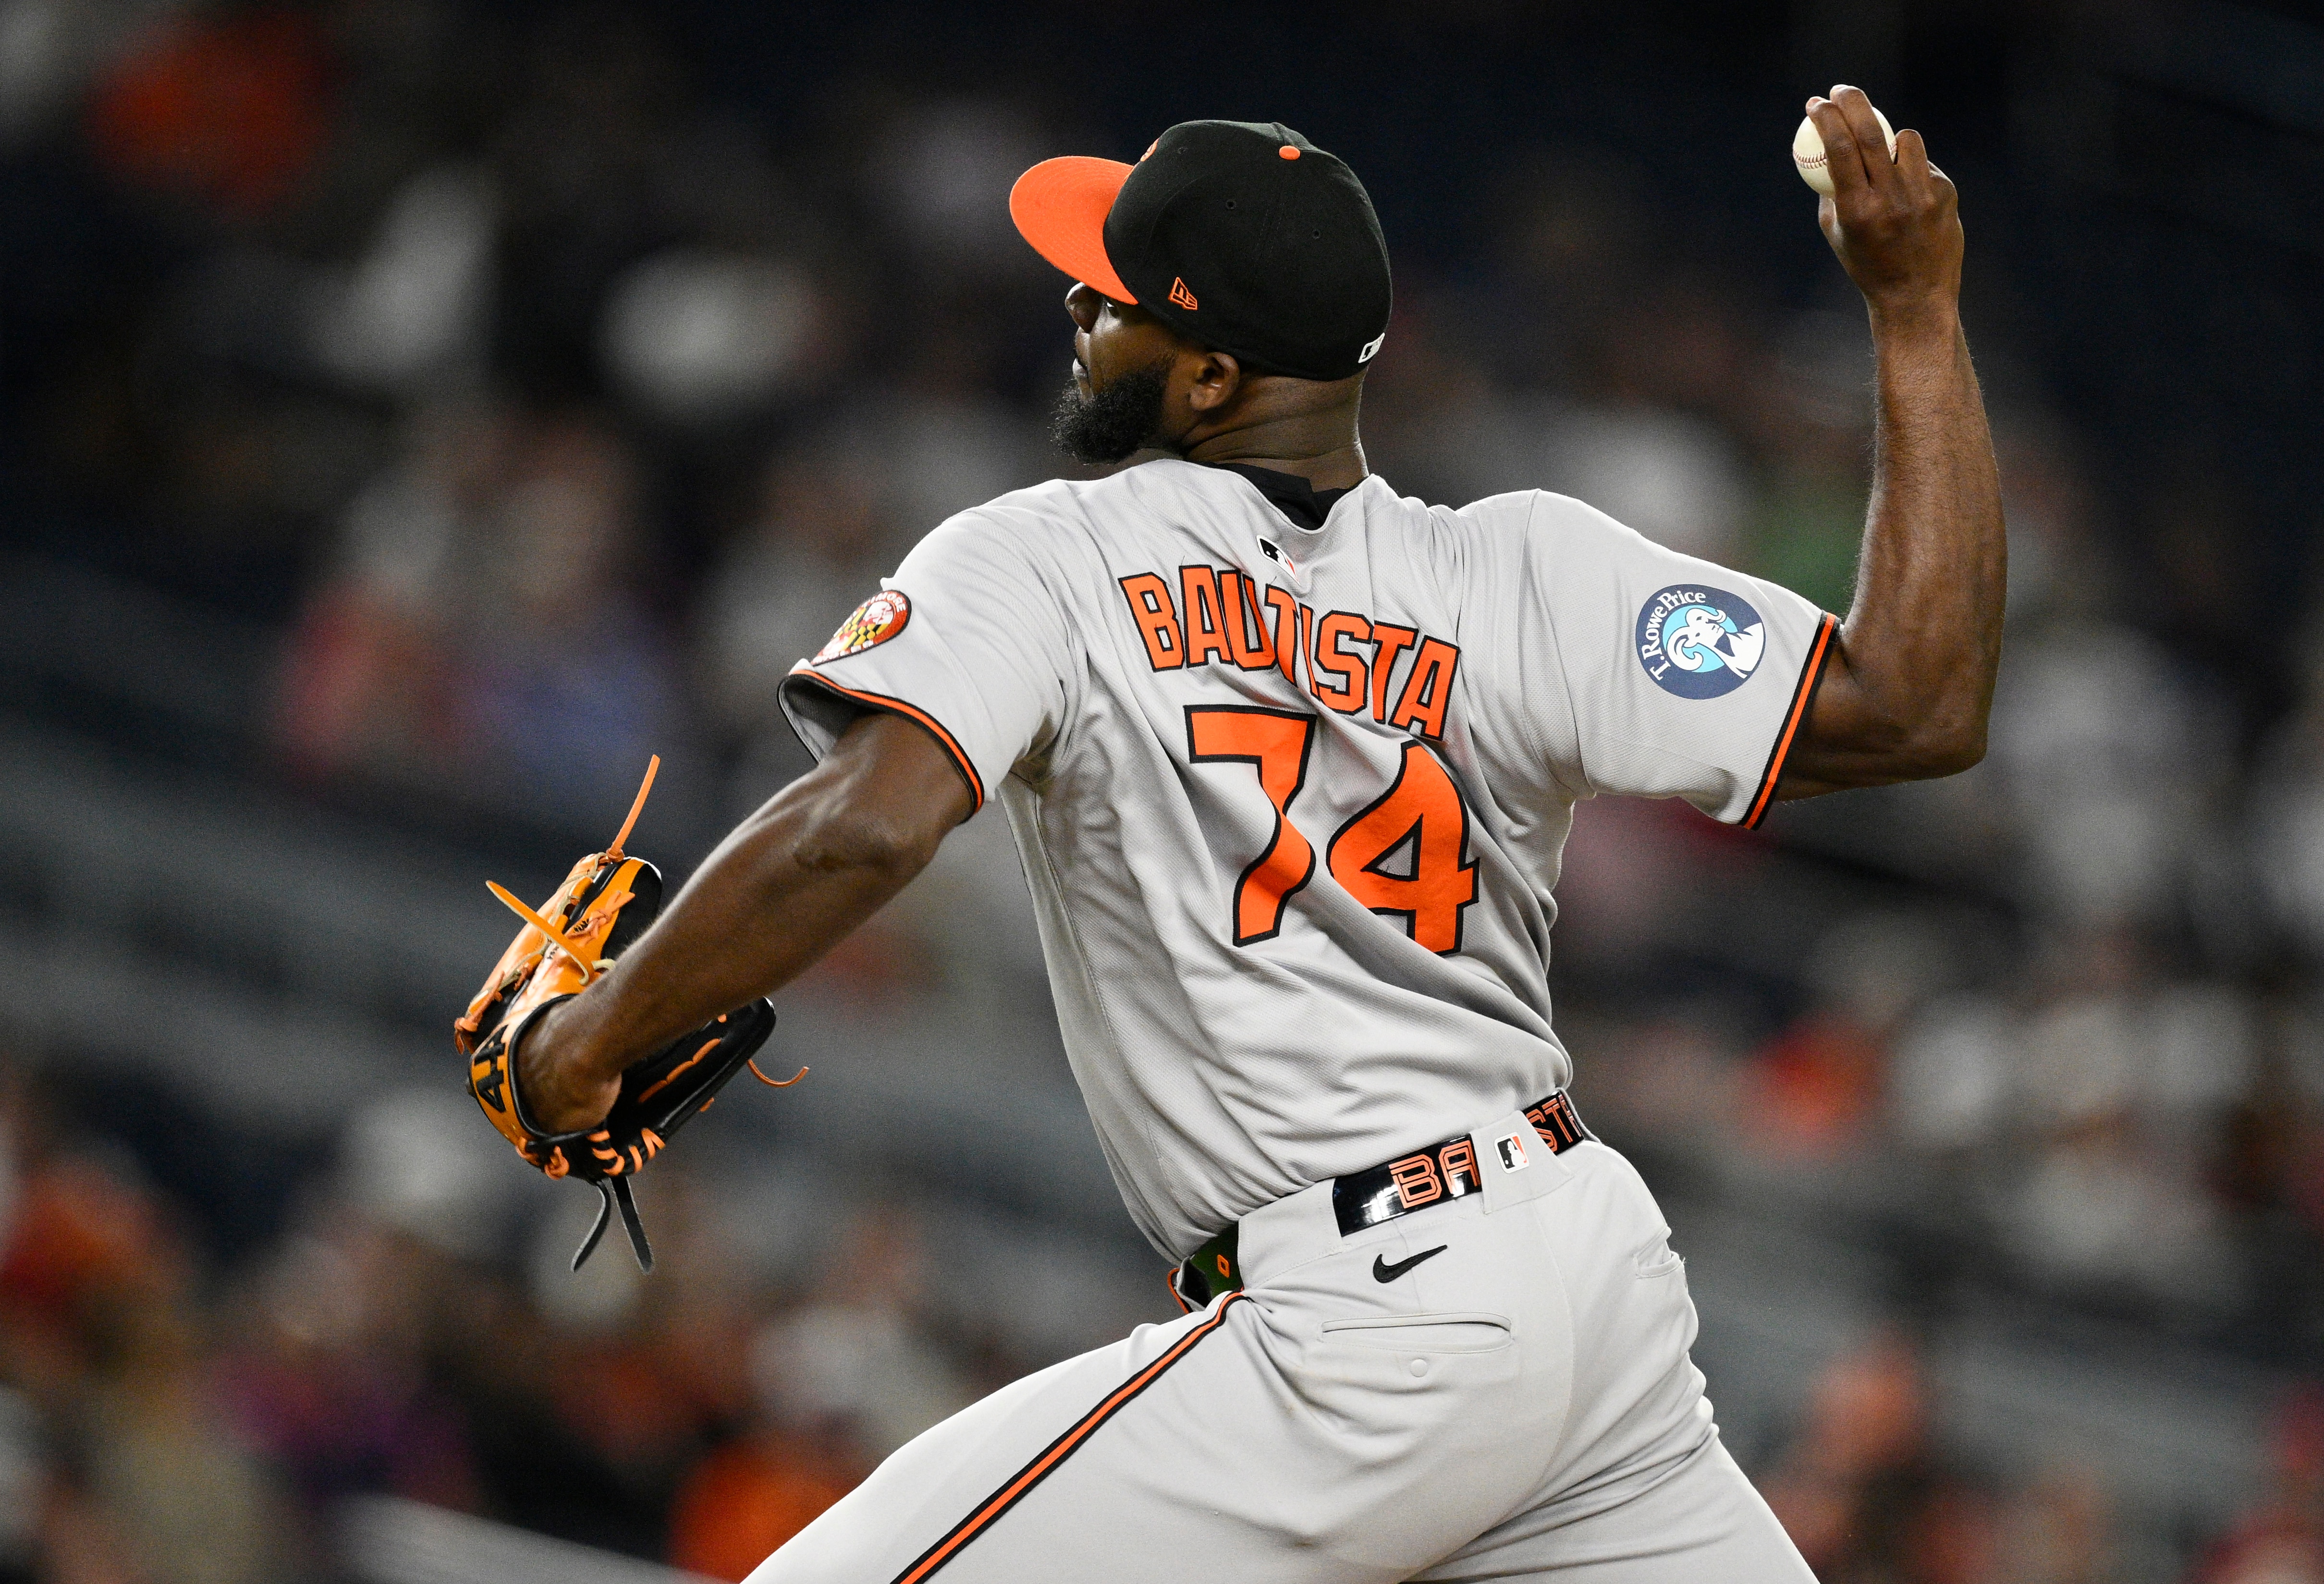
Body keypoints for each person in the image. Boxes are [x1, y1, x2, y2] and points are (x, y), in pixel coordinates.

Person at [513, 94, 2000, 1583]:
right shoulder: (1526, 572)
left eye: (1117, 300)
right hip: (1581, 1283)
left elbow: (862, 828)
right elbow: (1915, 702)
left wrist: (590, 1037)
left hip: (1365, 1317)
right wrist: (1916, 309)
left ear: (1212, 372)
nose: (1079, 309)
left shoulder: (1055, 551)